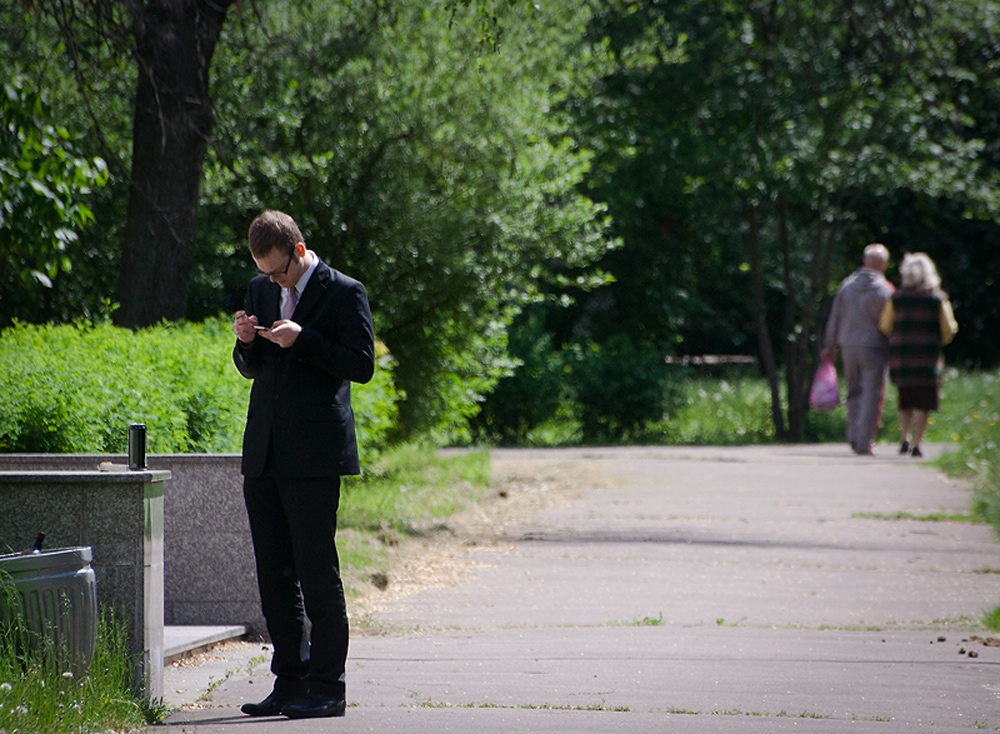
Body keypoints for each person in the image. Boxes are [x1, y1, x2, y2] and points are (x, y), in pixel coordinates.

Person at [231, 210, 375, 719]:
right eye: (264, 273)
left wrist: (305, 339)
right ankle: (288, 681)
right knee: (274, 575)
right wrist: (245, 343)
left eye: (278, 272)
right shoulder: (260, 288)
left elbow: (362, 365)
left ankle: (327, 688)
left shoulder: (344, 291)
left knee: (317, 572)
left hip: (314, 456)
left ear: (298, 250)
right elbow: (252, 370)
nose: (272, 281)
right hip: (264, 451)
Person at [878, 252, 958, 458]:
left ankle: (904, 438)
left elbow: (885, 325)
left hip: (902, 356)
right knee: (924, 402)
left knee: (905, 399)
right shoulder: (937, 299)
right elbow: (948, 329)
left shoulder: (897, 298)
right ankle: (918, 444)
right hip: (928, 356)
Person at [821, 243, 894, 455]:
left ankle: (853, 434)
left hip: (848, 347)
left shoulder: (847, 285)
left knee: (853, 392)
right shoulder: (885, 290)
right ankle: (865, 442)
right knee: (873, 394)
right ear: (884, 264)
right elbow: (890, 323)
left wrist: (829, 345)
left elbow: (835, 317)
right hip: (874, 347)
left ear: (864, 261)